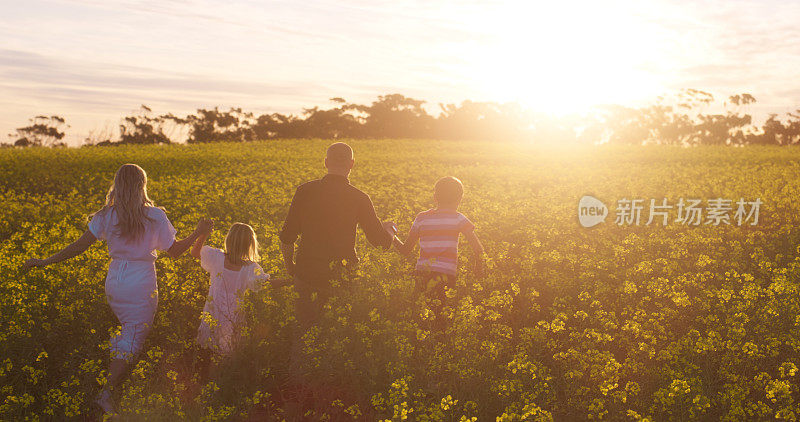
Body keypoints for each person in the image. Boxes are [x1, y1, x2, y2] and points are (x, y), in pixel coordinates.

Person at [22, 163, 211, 416]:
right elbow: (176, 252)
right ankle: (106, 393)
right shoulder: (155, 215)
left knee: (128, 331)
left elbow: (78, 247)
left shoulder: (106, 216)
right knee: (134, 335)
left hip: (115, 280)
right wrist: (198, 233)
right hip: (140, 281)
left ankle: (110, 375)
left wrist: (45, 261)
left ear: (117, 184)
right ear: (142, 185)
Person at [278, 142, 397, 405]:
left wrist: (291, 270)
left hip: (307, 273)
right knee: (338, 332)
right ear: (352, 165)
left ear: (325, 162)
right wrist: (389, 230)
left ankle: (298, 394)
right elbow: (380, 242)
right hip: (343, 278)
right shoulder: (359, 197)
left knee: (305, 333)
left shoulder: (305, 191)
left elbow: (287, 236)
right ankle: (334, 392)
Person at [191, 222, 290, 358]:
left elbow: (195, 252)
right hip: (233, 315)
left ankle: (208, 375)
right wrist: (289, 281)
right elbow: (268, 284)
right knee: (228, 352)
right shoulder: (250, 268)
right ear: (250, 245)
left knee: (208, 351)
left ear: (229, 240)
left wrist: (204, 234)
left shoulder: (216, 257)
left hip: (212, 311)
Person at [393, 176, 485, 315]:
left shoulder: (421, 218)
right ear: (460, 199)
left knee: (419, 315)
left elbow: (405, 250)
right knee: (441, 316)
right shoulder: (459, 218)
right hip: (446, 275)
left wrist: (391, 236)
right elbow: (478, 248)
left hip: (422, 273)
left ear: (435, 197)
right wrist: (478, 269)